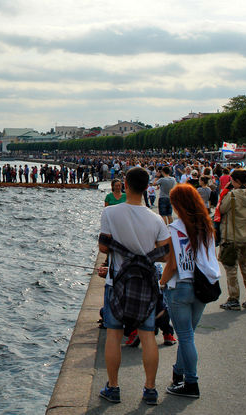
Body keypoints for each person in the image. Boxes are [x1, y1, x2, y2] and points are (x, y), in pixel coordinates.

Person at [98, 167, 171, 405]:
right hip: (146, 285)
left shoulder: (110, 212)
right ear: (146, 187)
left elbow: (103, 247)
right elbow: (165, 252)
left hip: (117, 281)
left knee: (114, 334)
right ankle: (150, 389)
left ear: (125, 185)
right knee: (148, 335)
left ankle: (113, 387)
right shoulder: (156, 218)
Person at [158, 184, 220, 399]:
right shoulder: (207, 227)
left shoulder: (175, 228)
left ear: (178, 205)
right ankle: (179, 373)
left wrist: (161, 282)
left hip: (181, 287)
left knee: (185, 336)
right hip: (202, 286)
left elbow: (172, 264)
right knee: (189, 336)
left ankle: (191, 383)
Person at [218, 168, 246, 311]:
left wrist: (225, 192)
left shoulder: (232, 195)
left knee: (231, 269)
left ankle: (234, 298)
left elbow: (222, 209)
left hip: (232, 235)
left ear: (236, 181)